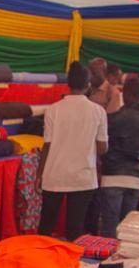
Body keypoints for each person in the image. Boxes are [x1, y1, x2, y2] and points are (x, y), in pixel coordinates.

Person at [37, 61, 108, 241]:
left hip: (54, 174)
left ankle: (40, 256)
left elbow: (47, 145)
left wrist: (39, 174)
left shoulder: (53, 109)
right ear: (88, 84)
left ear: (68, 84)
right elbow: (102, 148)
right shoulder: (98, 111)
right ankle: (73, 259)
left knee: (46, 226)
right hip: (82, 177)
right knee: (75, 229)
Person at [98, 77, 139, 237]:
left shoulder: (115, 118)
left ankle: (108, 253)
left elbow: (103, 145)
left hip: (113, 175)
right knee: (126, 230)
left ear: (127, 93)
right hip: (137, 177)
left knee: (109, 227)